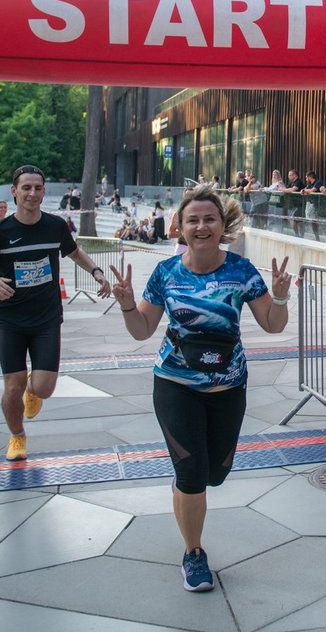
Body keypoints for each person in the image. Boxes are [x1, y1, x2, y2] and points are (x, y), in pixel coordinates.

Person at [108, 184, 291, 593]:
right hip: (175, 384)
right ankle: (194, 555)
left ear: (222, 225)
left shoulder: (241, 271)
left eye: (209, 218)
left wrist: (278, 299)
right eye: (193, 219)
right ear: (180, 227)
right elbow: (141, 330)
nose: (201, 226)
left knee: (215, 474)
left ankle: (185, 486)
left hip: (229, 388)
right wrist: (125, 303)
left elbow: (272, 325)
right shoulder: (166, 274)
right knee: (192, 474)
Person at [0, 165, 112, 462]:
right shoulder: (0, 232)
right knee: (12, 385)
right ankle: (17, 436)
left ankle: (34, 390)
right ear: (14, 192)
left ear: (44, 192)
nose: (32, 193)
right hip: (9, 319)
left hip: (46, 318)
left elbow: (73, 251)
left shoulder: (55, 226)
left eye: (38, 188)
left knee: (43, 389)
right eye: (26, 188)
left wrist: (96, 270)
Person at [301, 170, 325, 241]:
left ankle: (318, 237)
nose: (305, 179)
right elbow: (304, 191)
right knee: (311, 221)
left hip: (316, 204)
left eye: (306, 178)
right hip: (309, 203)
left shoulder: (318, 182)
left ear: (309, 177)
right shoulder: (309, 184)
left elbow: (313, 190)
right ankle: (316, 237)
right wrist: (304, 191)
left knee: (314, 221)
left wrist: (305, 191)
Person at [283, 168, 306, 237]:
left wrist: (283, 189)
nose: (288, 176)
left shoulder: (298, 182)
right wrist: (283, 189)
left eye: (290, 175)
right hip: (293, 204)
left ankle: (300, 235)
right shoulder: (291, 182)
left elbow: (293, 189)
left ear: (295, 176)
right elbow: (286, 188)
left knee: (297, 220)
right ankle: (297, 234)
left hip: (300, 204)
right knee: (297, 220)